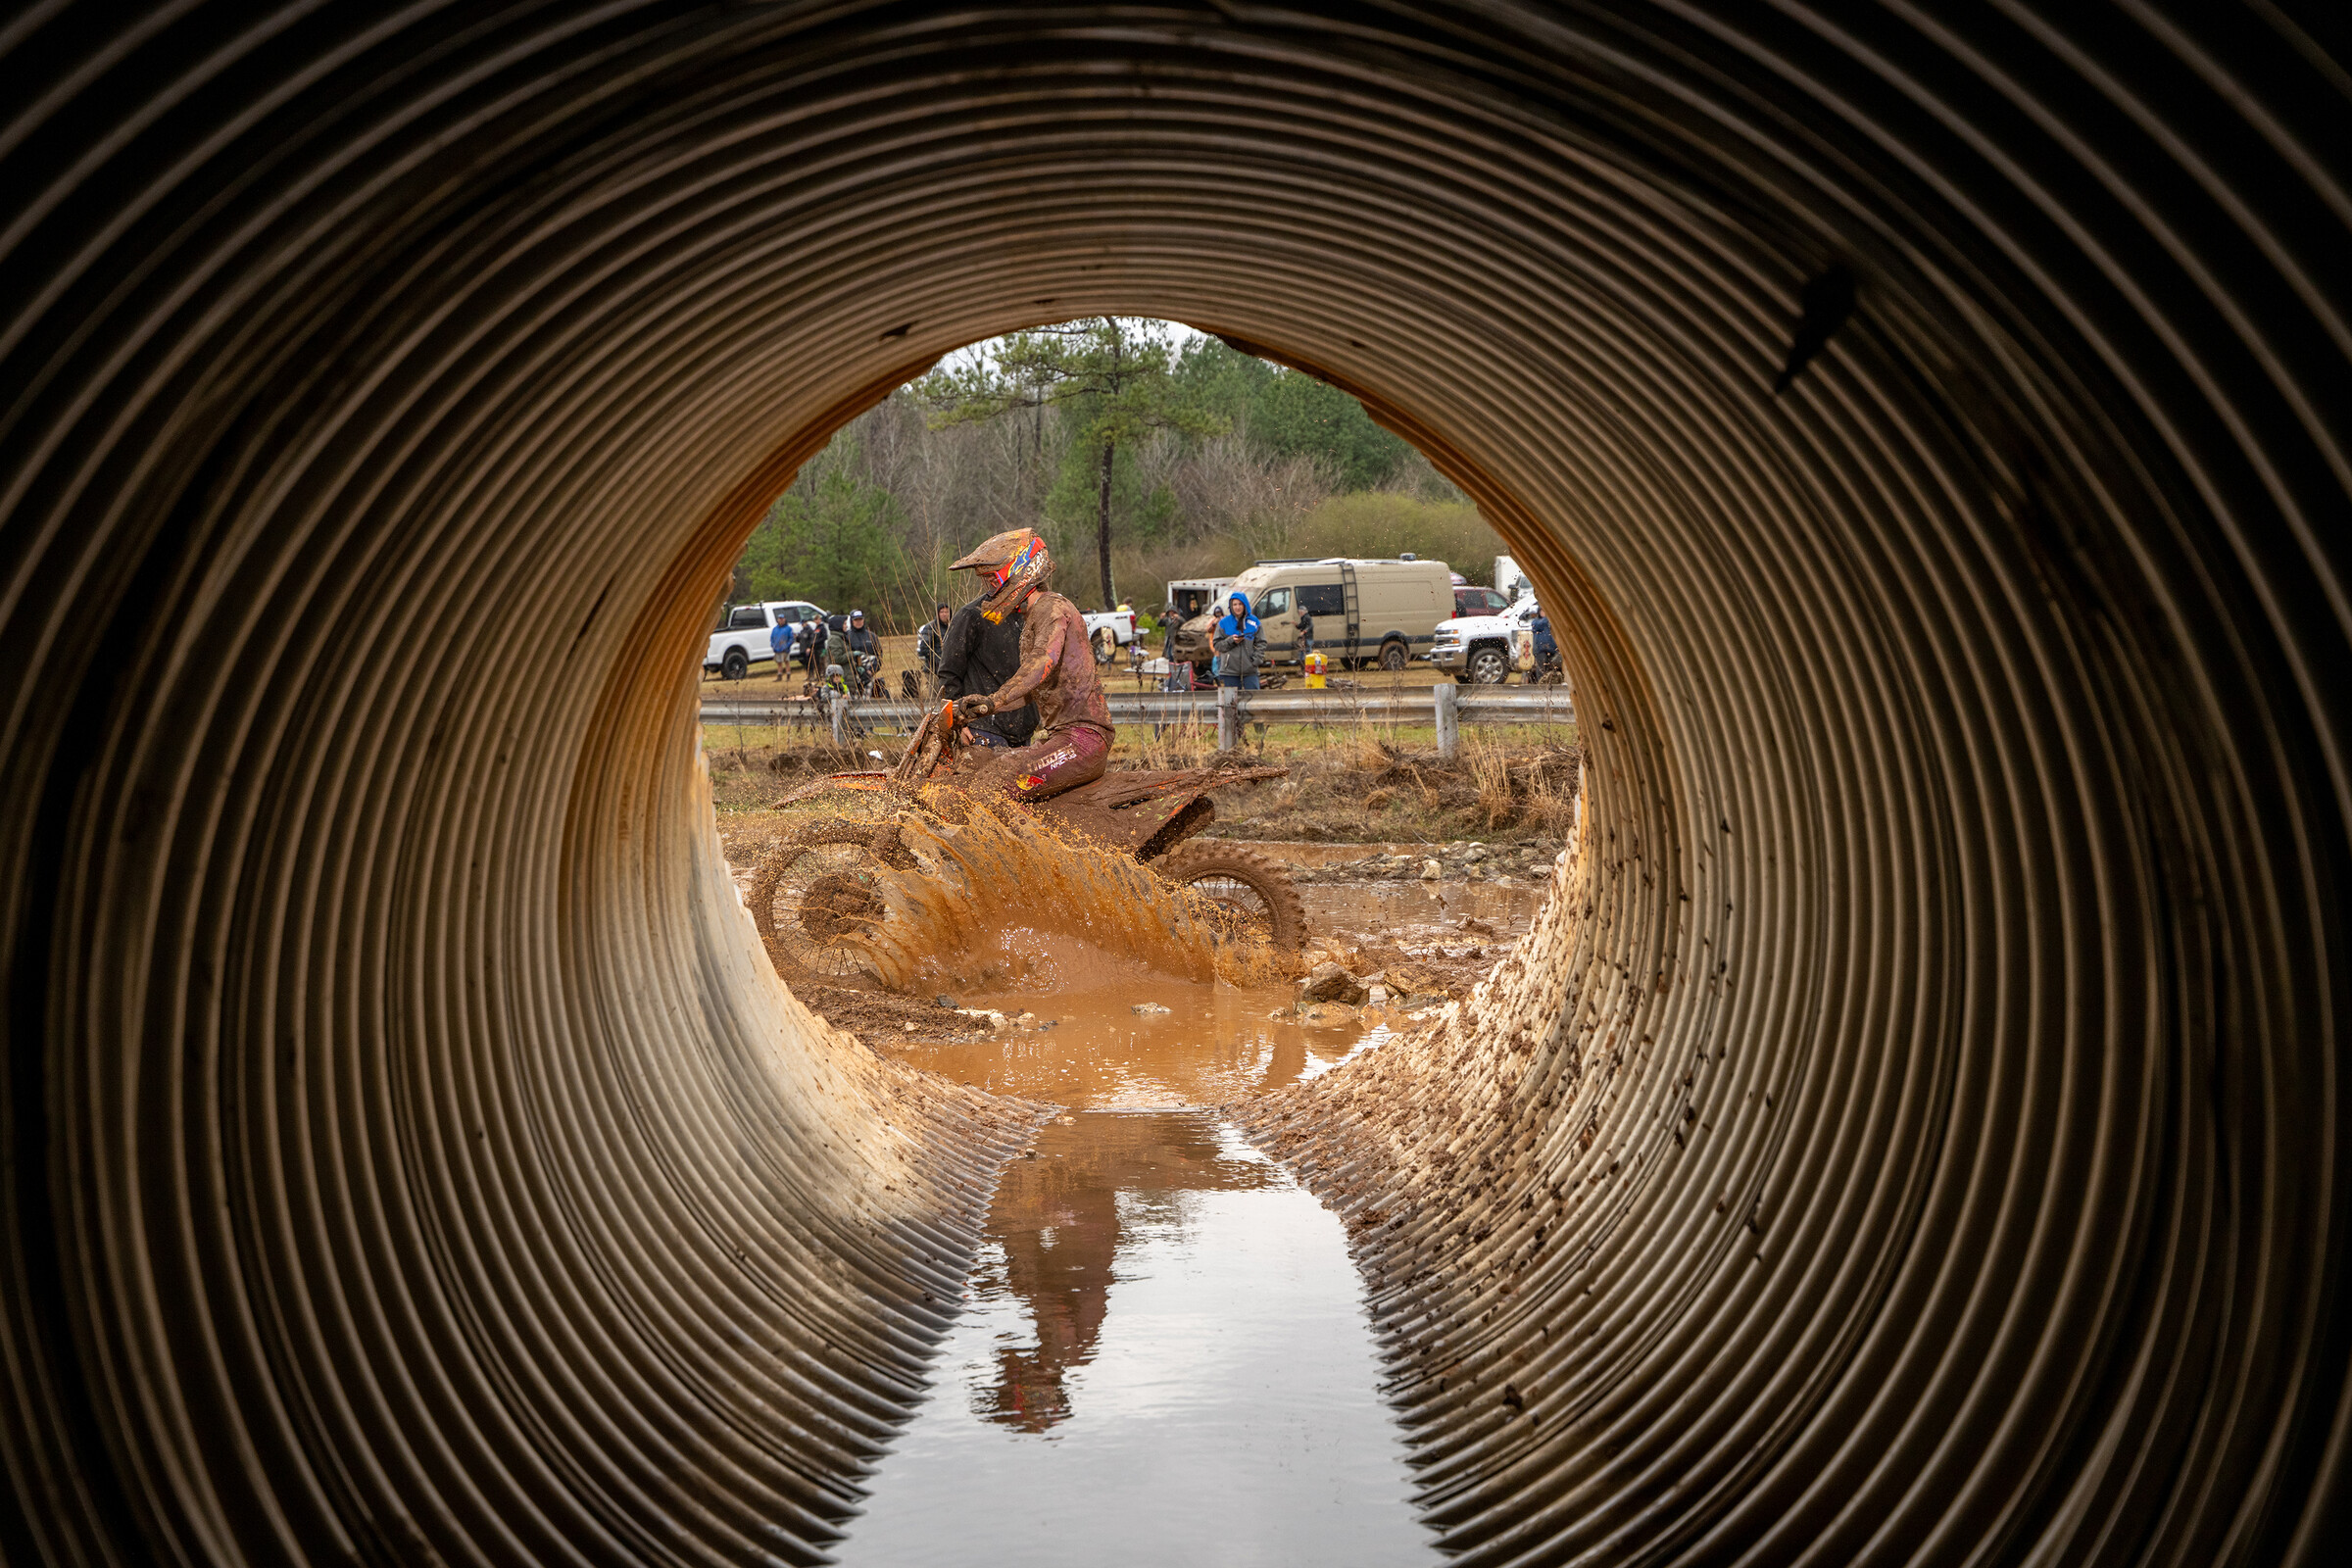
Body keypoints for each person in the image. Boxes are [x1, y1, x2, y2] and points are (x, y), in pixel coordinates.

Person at [945, 528, 1113, 801]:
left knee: (998, 777)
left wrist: (995, 699)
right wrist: (983, 707)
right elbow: (1031, 690)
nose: (989, 589)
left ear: (1019, 572)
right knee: (984, 767)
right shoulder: (1033, 615)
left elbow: (1041, 663)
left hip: (1082, 738)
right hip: (1063, 737)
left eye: (993, 579)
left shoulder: (1052, 608)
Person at [1213, 592, 1263, 691]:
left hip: (1250, 670)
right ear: (1231, 606)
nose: (1237, 607)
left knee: (1254, 698)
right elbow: (1217, 645)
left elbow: (1261, 643)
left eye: (1240, 604)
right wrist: (1231, 641)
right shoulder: (1223, 623)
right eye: (1235, 604)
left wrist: (1256, 660)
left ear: (1245, 605)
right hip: (1230, 671)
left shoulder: (1254, 622)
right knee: (1231, 699)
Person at [769, 612, 794, 681]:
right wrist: (773, 645)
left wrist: (786, 646)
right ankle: (779, 676)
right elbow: (772, 638)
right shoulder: (775, 629)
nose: (781, 620)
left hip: (785, 649)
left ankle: (788, 676)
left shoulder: (788, 628)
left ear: (784, 619)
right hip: (777, 649)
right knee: (779, 663)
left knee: (786, 662)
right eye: (779, 619)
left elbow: (791, 639)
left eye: (782, 619)